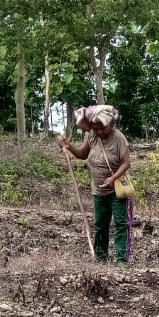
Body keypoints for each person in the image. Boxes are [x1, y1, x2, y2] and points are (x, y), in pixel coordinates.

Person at [59, 105, 132, 264]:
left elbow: (126, 163)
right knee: (100, 224)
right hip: (98, 190)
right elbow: (82, 154)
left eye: (102, 128)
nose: (99, 132)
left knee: (121, 223)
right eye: (95, 128)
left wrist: (112, 178)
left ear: (110, 124)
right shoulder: (92, 136)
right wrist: (69, 146)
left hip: (117, 190)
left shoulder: (119, 138)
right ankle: (101, 257)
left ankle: (122, 260)